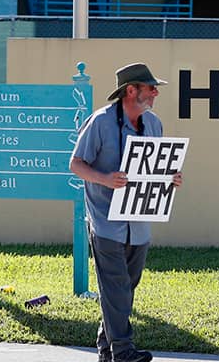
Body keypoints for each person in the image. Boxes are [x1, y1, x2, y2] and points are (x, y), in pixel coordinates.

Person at [70, 62, 183, 362]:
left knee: (124, 290)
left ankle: (106, 348)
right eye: (150, 87)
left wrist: (170, 178)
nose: (156, 92)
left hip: (140, 222)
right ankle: (123, 352)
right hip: (106, 222)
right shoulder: (100, 122)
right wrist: (105, 179)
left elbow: (155, 167)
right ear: (131, 90)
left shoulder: (155, 124)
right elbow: (76, 164)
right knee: (117, 288)